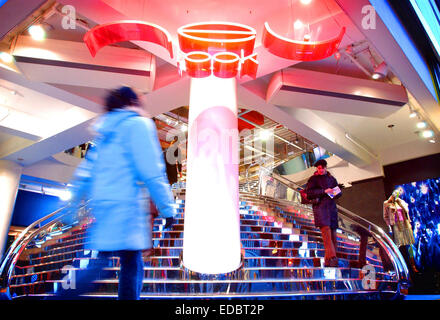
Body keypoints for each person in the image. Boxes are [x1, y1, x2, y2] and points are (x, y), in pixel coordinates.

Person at [56, 86, 177, 300]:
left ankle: (59, 297)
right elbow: (151, 170)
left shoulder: (104, 134)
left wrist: (72, 208)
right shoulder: (138, 125)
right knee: (130, 264)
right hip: (127, 207)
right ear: (131, 103)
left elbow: (85, 173)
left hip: (104, 207)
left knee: (101, 262)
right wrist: (168, 209)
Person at [305, 159, 342, 267]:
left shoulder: (332, 179)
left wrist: (335, 192)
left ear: (326, 167)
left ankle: (329, 261)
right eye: (318, 168)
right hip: (321, 209)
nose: (320, 170)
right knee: (326, 235)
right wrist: (324, 191)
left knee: (333, 236)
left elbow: (339, 193)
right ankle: (332, 258)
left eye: (322, 168)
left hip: (331, 209)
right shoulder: (313, 179)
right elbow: (309, 193)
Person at [383, 190, 417, 275]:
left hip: (405, 224)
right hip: (396, 225)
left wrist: (400, 203)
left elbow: (406, 211)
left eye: (397, 194)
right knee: (399, 246)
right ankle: (402, 267)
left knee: (409, 245)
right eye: (394, 194)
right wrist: (390, 226)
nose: (395, 196)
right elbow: (385, 216)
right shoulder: (386, 203)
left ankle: (413, 265)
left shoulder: (401, 202)